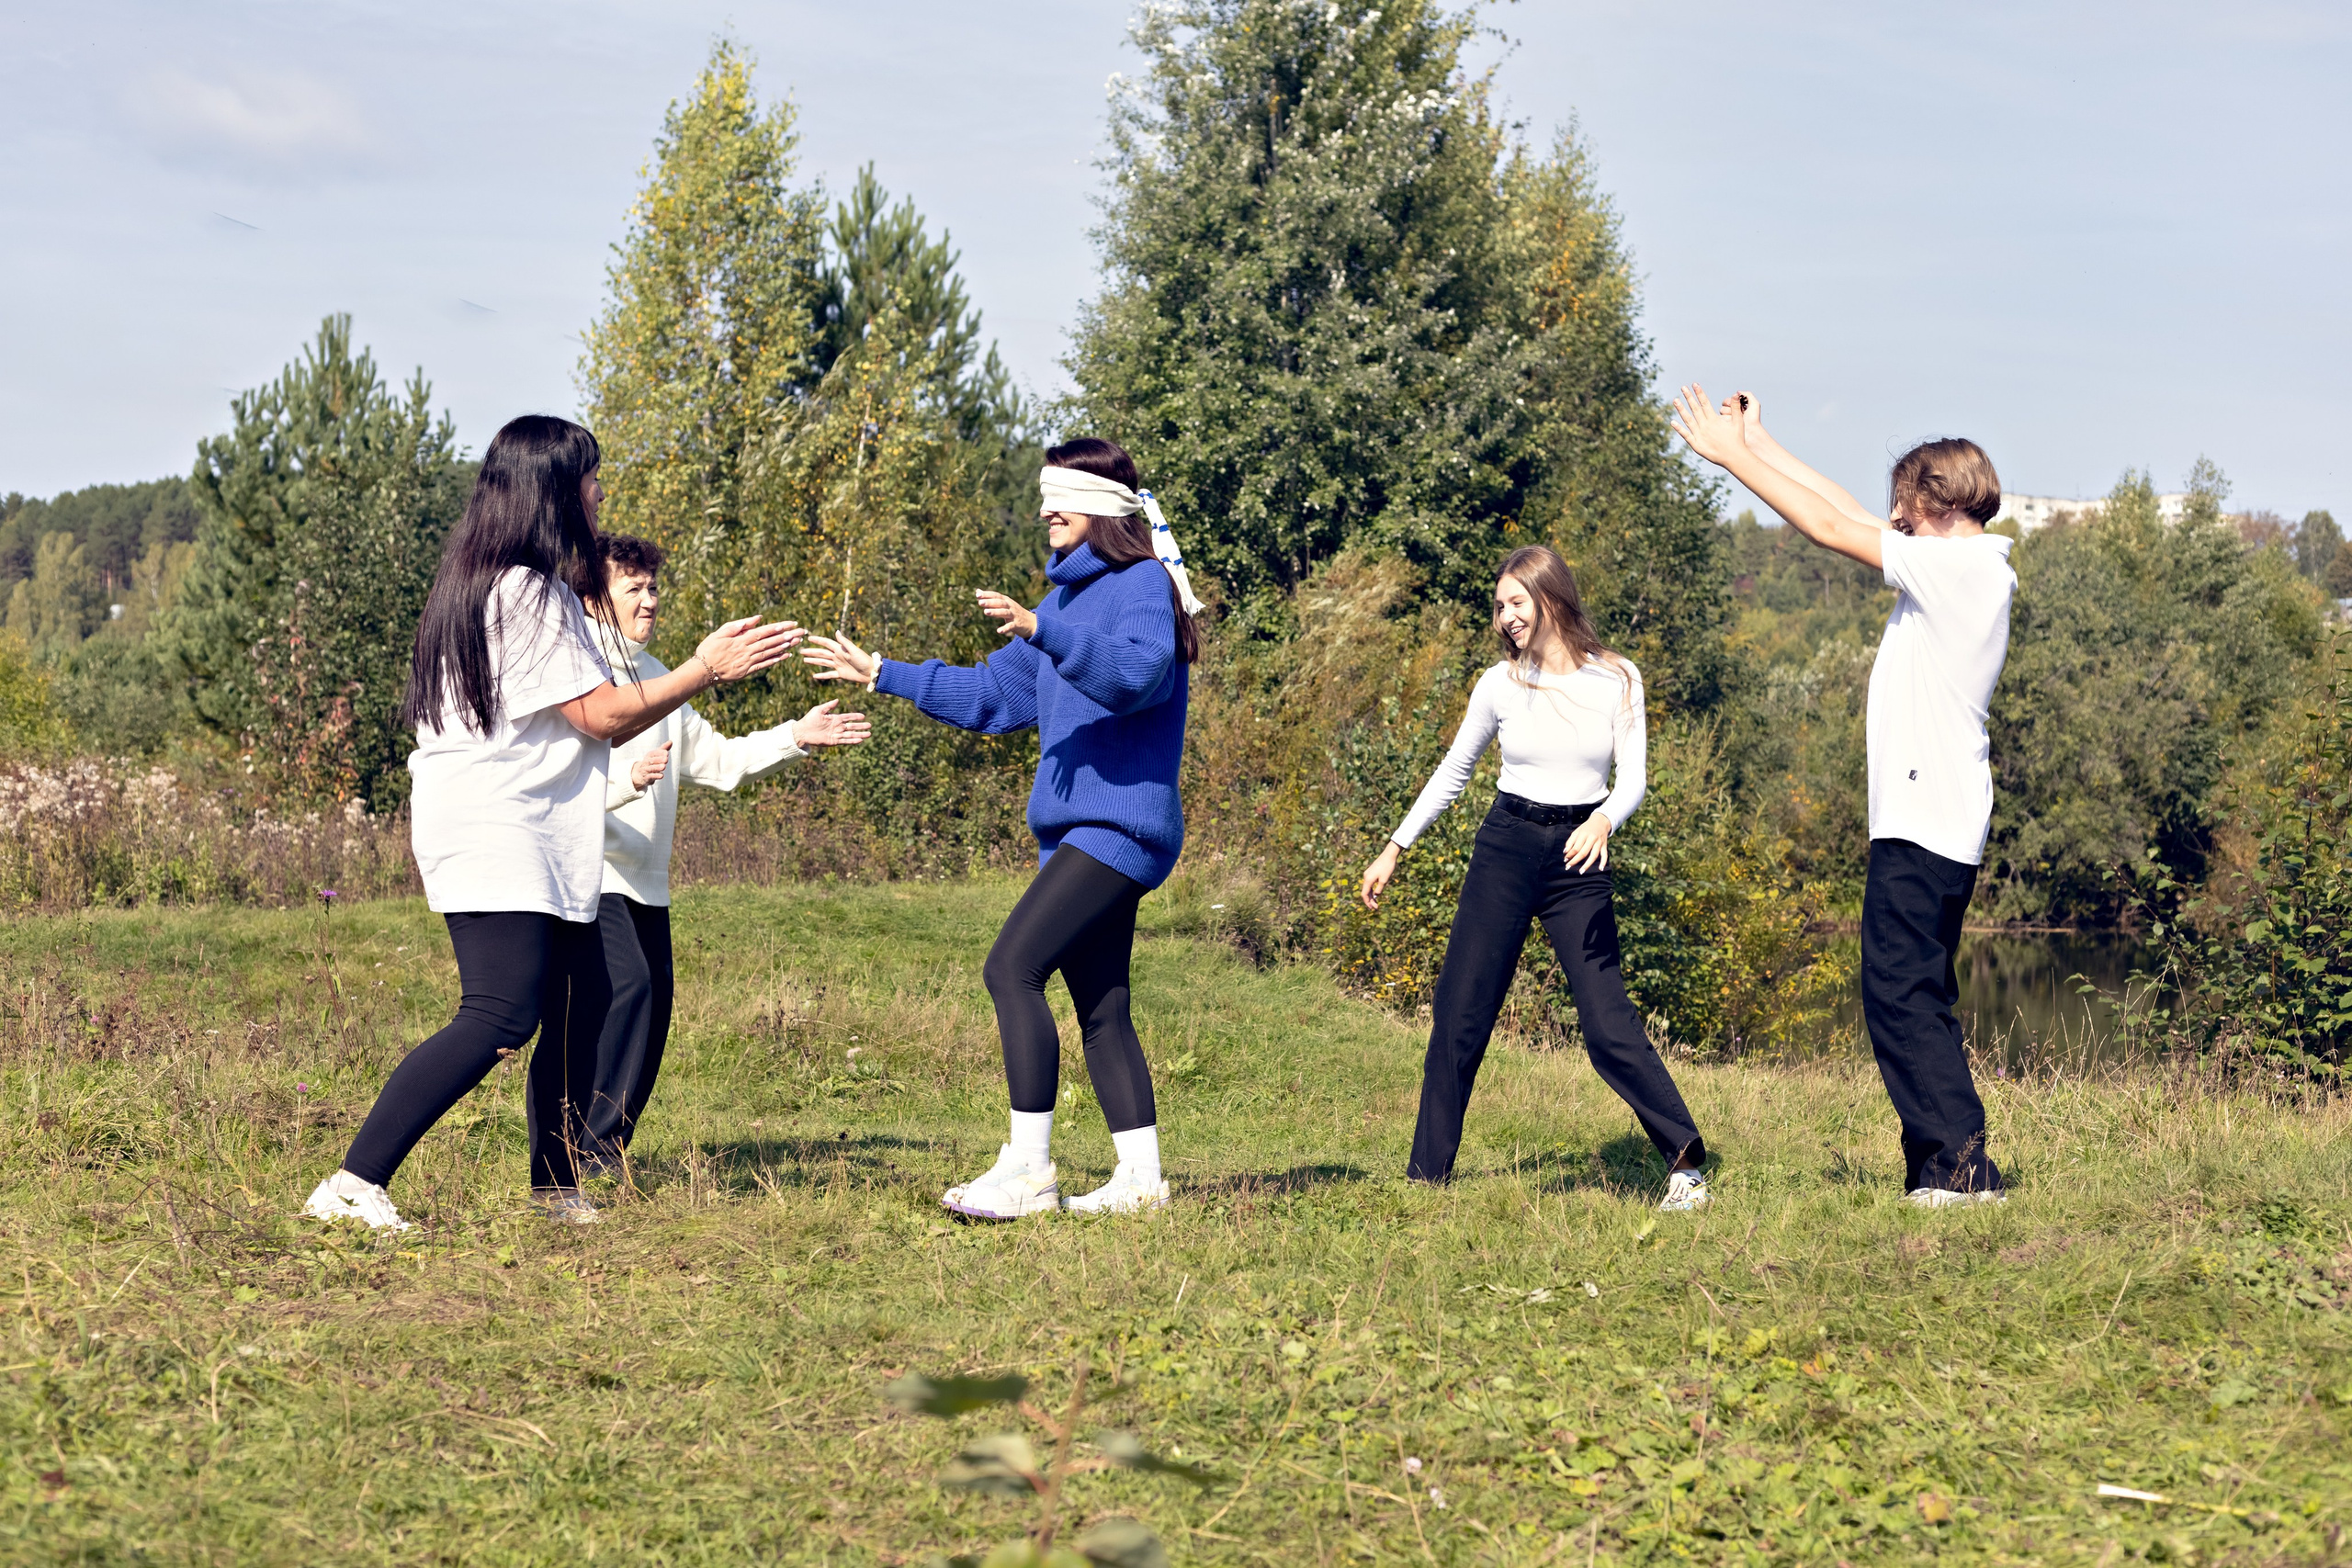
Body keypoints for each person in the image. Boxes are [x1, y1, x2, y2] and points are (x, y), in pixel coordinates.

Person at [301, 415, 800, 1232]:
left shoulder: (499, 580)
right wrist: (703, 670)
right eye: (591, 476)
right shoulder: (524, 591)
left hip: (526, 824)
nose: (601, 492)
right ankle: (354, 1182)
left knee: (584, 992)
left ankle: (555, 1184)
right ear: (555, 489)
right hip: (500, 827)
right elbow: (601, 714)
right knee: (501, 1013)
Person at [801, 437, 1202, 1219]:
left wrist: (1040, 630)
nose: (1045, 508)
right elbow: (993, 698)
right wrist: (884, 673)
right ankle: (1141, 1180)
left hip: (1116, 827)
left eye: (1061, 495)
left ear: (1104, 509)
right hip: (1081, 832)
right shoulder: (1062, 605)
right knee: (1101, 1005)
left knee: (1011, 967)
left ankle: (1029, 1169)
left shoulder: (1143, 585)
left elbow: (1131, 676)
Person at [1671, 387, 2011, 1206]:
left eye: (1902, 506)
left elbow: (1828, 527)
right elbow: (1845, 509)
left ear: (1935, 499)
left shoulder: (1958, 567)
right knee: (1910, 989)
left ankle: (1961, 1172)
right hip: (1933, 816)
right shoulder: (1954, 568)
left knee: (1900, 992)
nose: (1890, 519)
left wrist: (1731, 460)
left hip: (1926, 819)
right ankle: (1942, 1166)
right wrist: (1763, 441)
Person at [1361, 546, 1713, 1211]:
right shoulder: (1500, 683)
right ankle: (1425, 1177)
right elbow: (1453, 771)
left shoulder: (1617, 678)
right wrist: (1394, 847)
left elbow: (1633, 777)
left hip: (1579, 857)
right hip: (1506, 846)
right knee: (1460, 1012)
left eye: (1516, 602)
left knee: (1608, 1025)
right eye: (1499, 606)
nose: (1506, 616)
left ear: (1551, 597)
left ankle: (1688, 1166)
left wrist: (1606, 818)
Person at [568, 532, 871, 1175]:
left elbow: (720, 762)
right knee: (631, 991)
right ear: (594, 596)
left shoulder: (659, 677)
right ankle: (579, 1156)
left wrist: (797, 735)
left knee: (652, 1011)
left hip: (647, 880)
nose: (650, 601)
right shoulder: (575, 671)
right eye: (634, 588)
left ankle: (603, 1152)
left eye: (654, 588)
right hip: (592, 870)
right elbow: (554, 787)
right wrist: (627, 782)